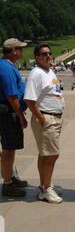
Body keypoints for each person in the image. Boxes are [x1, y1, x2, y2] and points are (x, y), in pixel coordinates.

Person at [24, 44, 64, 203]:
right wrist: (41, 118)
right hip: (47, 118)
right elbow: (29, 99)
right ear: (37, 57)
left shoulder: (48, 70)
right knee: (52, 155)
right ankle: (47, 189)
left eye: (49, 53)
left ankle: (44, 185)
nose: (48, 56)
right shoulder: (36, 74)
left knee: (45, 154)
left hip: (54, 117)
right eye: (44, 54)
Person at [0, 38, 28, 197]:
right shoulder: (6, 69)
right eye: (20, 49)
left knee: (10, 148)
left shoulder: (6, 66)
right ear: (13, 51)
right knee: (8, 150)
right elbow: (12, 96)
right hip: (8, 113)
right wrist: (21, 116)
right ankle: (8, 184)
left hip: (9, 112)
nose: (22, 51)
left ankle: (10, 176)